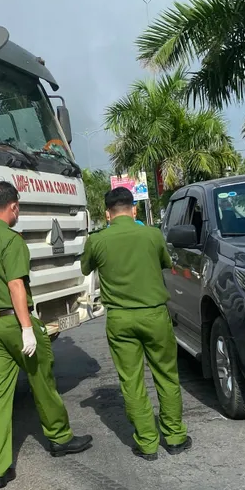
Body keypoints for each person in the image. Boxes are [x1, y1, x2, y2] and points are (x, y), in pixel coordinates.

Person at [0, 181, 92, 488]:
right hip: (13, 323)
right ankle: (59, 439)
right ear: (12, 206)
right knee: (42, 381)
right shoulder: (11, 242)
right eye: (18, 207)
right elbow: (15, 286)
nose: (18, 211)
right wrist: (27, 329)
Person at [80, 186, 190, 461]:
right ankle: (174, 437)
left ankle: (147, 443)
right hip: (154, 314)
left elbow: (85, 268)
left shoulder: (97, 240)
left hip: (120, 318)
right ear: (134, 209)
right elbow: (166, 263)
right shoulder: (152, 235)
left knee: (131, 381)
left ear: (107, 214)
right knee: (166, 375)